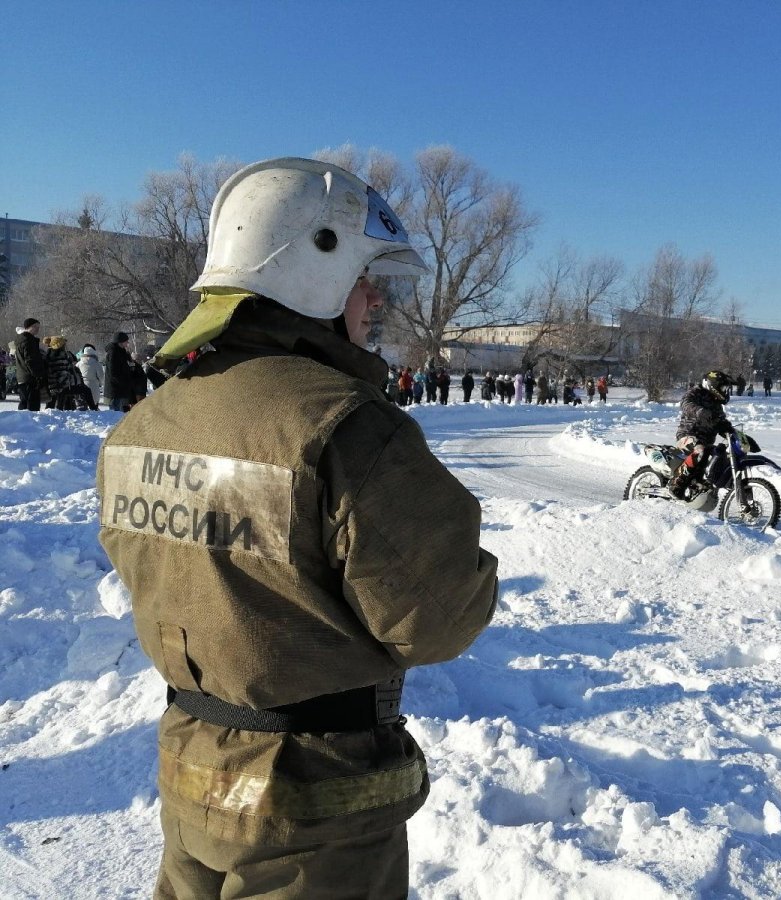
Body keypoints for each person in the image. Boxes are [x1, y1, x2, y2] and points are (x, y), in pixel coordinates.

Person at [95, 157, 498, 899]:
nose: (375, 297)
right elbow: (438, 620)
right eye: (366, 276)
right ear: (313, 270)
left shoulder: (144, 422)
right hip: (313, 809)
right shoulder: (348, 427)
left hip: (192, 771)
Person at [668, 370, 736, 499]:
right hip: (688, 435)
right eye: (723, 388)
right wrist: (700, 411)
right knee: (699, 451)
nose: (725, 391)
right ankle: (676, 484)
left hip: (706, 441)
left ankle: (700, 485)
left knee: (719, 454)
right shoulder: (696, 392)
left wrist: (733, 433)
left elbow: (721, 422)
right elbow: (685, 404)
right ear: (713, 385)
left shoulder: (716, 404)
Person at [13, 318, 48, 411]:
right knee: (32, 405)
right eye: (35, 326)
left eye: (38, 327)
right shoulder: (28, 340)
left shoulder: (21, 339)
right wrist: (38, 375)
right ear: (28, 327)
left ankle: (21, 419)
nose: (37, 329)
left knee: (24, 403)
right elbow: (30, 360)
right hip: (30, 377)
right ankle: (28, 420)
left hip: (23, 376)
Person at [104, 332, 138, 411]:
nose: (127, 343)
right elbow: (113, 372)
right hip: (115, 390)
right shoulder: (113, 352)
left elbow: (126, 367)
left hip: (122, 389)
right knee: (116, 414)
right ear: (120, 341)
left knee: (122, 413)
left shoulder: (122, 352)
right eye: (126, 341)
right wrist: (123, 382)